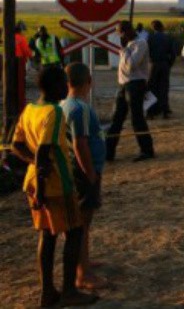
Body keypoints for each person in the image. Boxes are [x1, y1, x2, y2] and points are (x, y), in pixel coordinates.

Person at [11, 66, 98, 307]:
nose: (66, 86)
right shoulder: (54, 112)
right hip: (57, 185)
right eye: (63, 82)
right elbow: (43, 150)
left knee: (47, 235)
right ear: (55, 86)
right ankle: (69, 290)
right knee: (74, 231)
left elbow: (16, 146)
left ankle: (47, 291)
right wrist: (42, 179)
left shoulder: (29, 110)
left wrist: (36, 167)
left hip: (34, 181)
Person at [60, 62, 107, 290]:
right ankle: (83, 273)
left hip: (76, 171)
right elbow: (80, 144)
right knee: (82, 223)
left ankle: (85, 260)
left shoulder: (65, 105)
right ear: (89, 81)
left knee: (83, 223)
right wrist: (90, 174)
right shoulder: (80, 109)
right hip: (84, 173)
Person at [105, 21, 155, 162]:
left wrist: (124, 50)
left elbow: (131, 65)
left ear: (127, 30)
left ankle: (146, 150)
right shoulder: (127, 45)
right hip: (123, 85)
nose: (120, 35)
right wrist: (124, 48)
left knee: (137, 119)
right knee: (116, 120)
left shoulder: (140, 44)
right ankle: (108, 152)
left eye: (121, 32)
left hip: (136, 84)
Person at [147, 20, 175, 119]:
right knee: (164, 88)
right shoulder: (168, 37)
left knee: (152, 88)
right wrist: (169, 64)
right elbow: (173, 53)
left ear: (153, 27)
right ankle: (165, 111)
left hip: (153, 64)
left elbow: (147, 52)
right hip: (164, 64)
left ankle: (151, 112)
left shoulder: (150, 38)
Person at [15, 23, 33, 113]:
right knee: (20, 83)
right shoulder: (21, 38)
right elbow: (26, 50)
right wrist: (31, 55)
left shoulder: (7, 36)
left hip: (6, 61)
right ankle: (20, 103)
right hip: (19, 62)